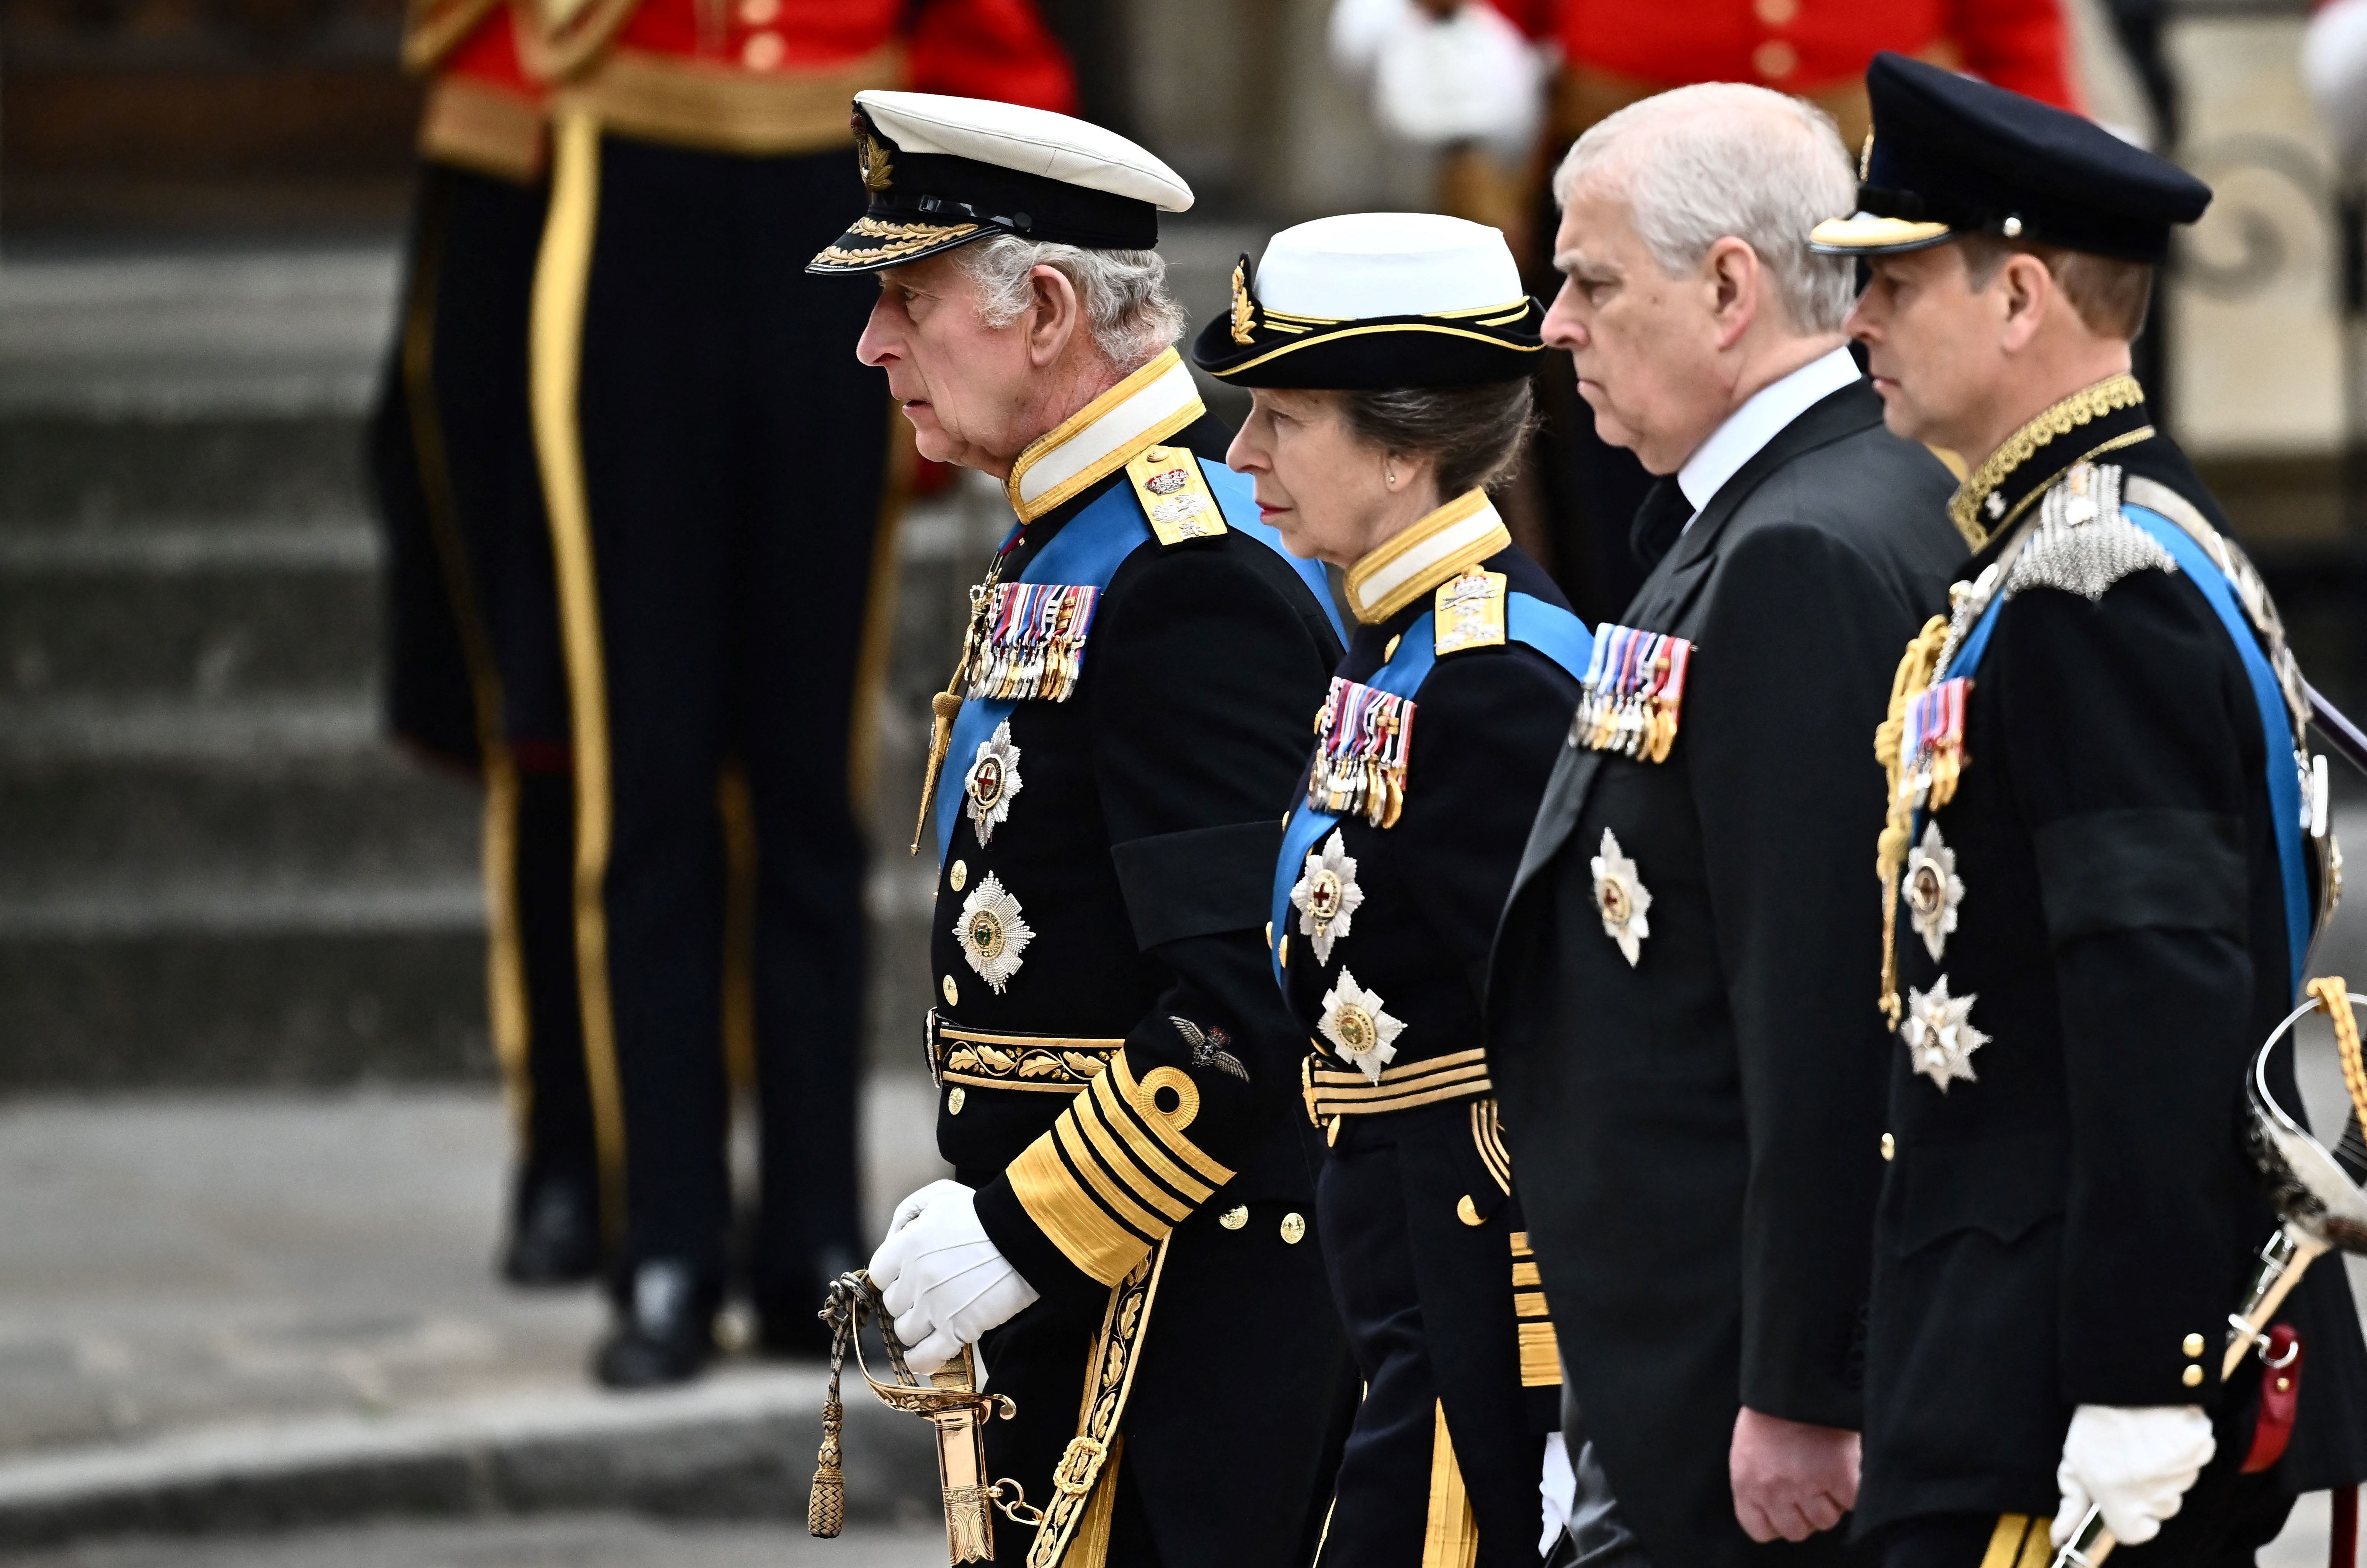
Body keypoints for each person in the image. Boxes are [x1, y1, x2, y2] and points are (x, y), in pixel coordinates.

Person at [1807, 51, 2367, 1565]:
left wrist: (2139, 1373)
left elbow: (2157, 987)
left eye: (1895, 284)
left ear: (2017, 298)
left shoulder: (2093, 587)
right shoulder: (2087, 544)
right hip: (2009, 1339)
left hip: (2054, 1375)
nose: (1855, 322)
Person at [836, 92, 1358, 1566]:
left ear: (1048, 308)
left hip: (1187, 1313)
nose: (876, 345)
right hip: (1102, 1287)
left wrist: (1024, 1224)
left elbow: (1246, 1009)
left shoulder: (1184, 570)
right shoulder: (1080, 525)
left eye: (906, 299)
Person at [521, 0, 1075, 1385]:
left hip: (839, 187)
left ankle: (815, 1234)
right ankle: (666, 1241)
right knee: (646, 776)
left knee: (810, 783)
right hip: (637, 174)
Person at [1482, 82, 1964, 1566]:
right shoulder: (1792, 504)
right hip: (1681, 1358)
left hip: (1737, 1402)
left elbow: (1821, 1002)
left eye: (1589, 280)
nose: (1556, 324)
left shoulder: (1800, 548)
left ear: (1729, 289)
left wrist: (1799, 1385)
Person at [1196, 211, 1586, 1566]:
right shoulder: (1398, 642)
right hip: (1393, 1302)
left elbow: (1556, 1067)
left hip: (1472, 1337)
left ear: (1406, 449)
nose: (1240, 457)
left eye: (1283, 419)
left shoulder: (1490, 681)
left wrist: (1548, 1408)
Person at [370, 0, 601, 1285]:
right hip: (521, 141)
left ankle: (736, 1166)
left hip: (762, 148)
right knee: (547, 716)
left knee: (755, 748)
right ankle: (570, 1146)